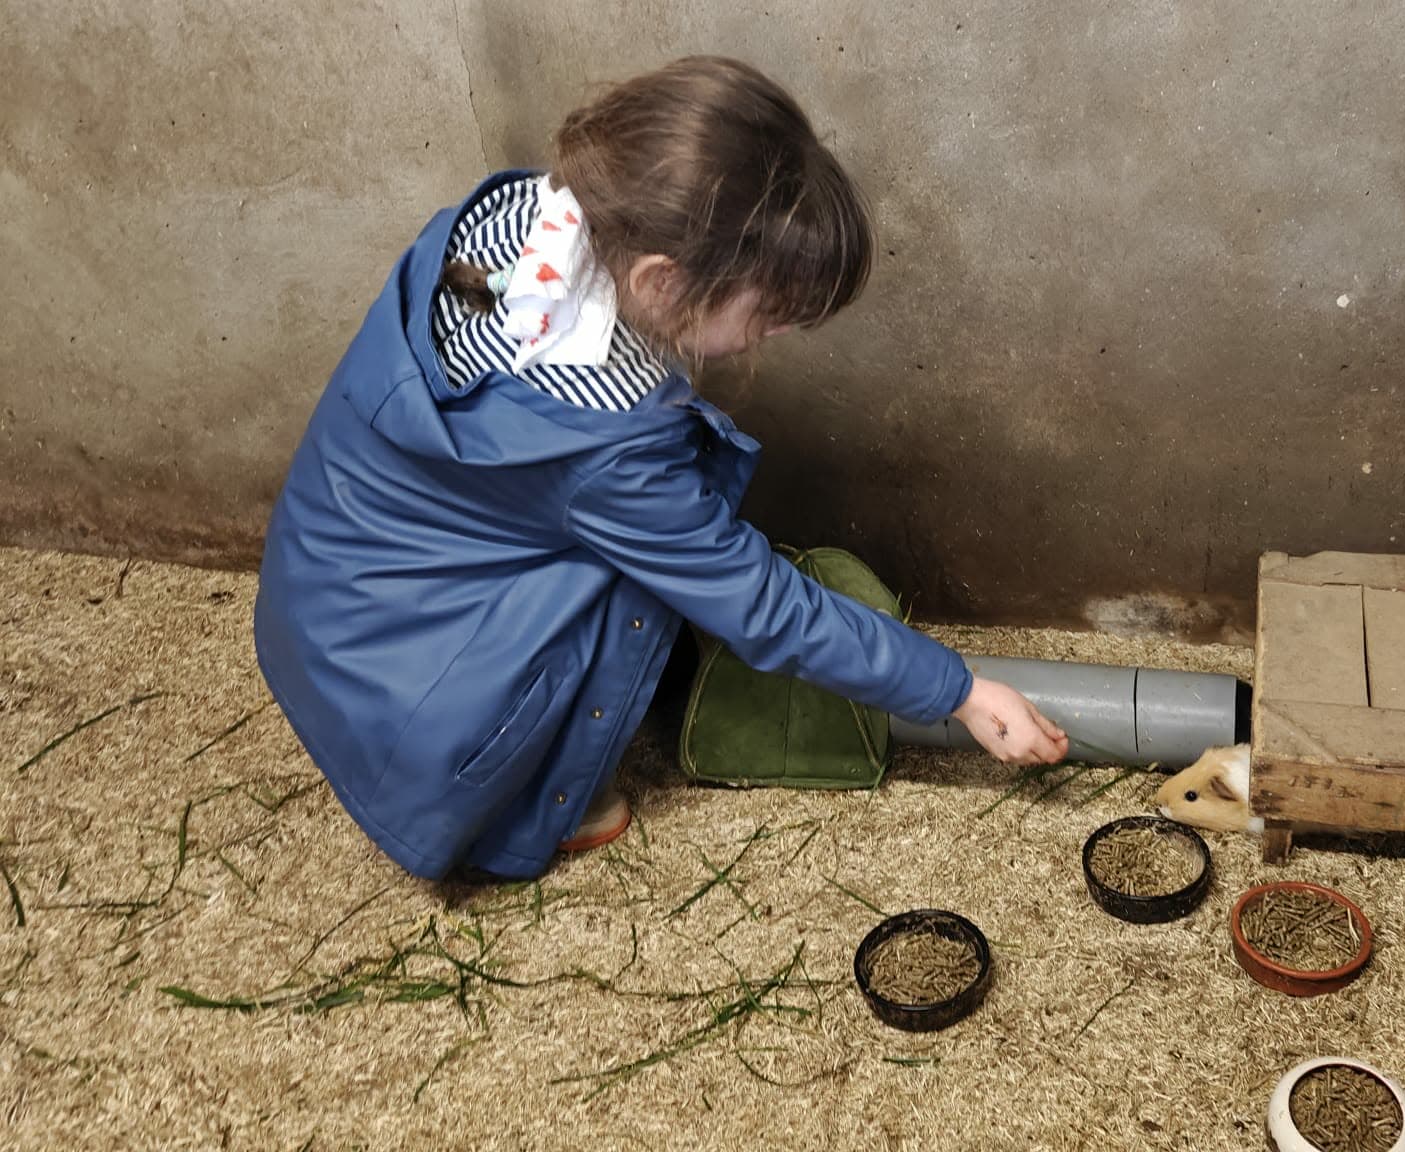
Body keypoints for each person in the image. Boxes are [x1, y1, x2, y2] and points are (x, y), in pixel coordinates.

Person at [253, 56, 1067, 881]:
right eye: (772, 313)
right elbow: (762, 605)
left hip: (324, 611)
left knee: (652, 543)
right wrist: (960, 690)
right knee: (644, 586)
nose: (779, 337)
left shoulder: (527, 227)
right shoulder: (603, 443)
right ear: (662, 282)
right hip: (413, 724)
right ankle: (536, 804)